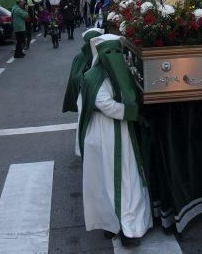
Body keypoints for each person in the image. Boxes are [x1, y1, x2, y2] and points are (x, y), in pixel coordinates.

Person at [79, 35, 151, 246]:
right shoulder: (93, 76)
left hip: (120, 131)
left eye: (117, 52)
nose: (114, 57)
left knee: (125, 177)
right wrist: (133, 114)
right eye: (109, 53)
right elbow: (106, 105)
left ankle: (128, 227)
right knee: (108, 179)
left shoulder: (123, 72)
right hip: (104, 132)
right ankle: (113, 224)